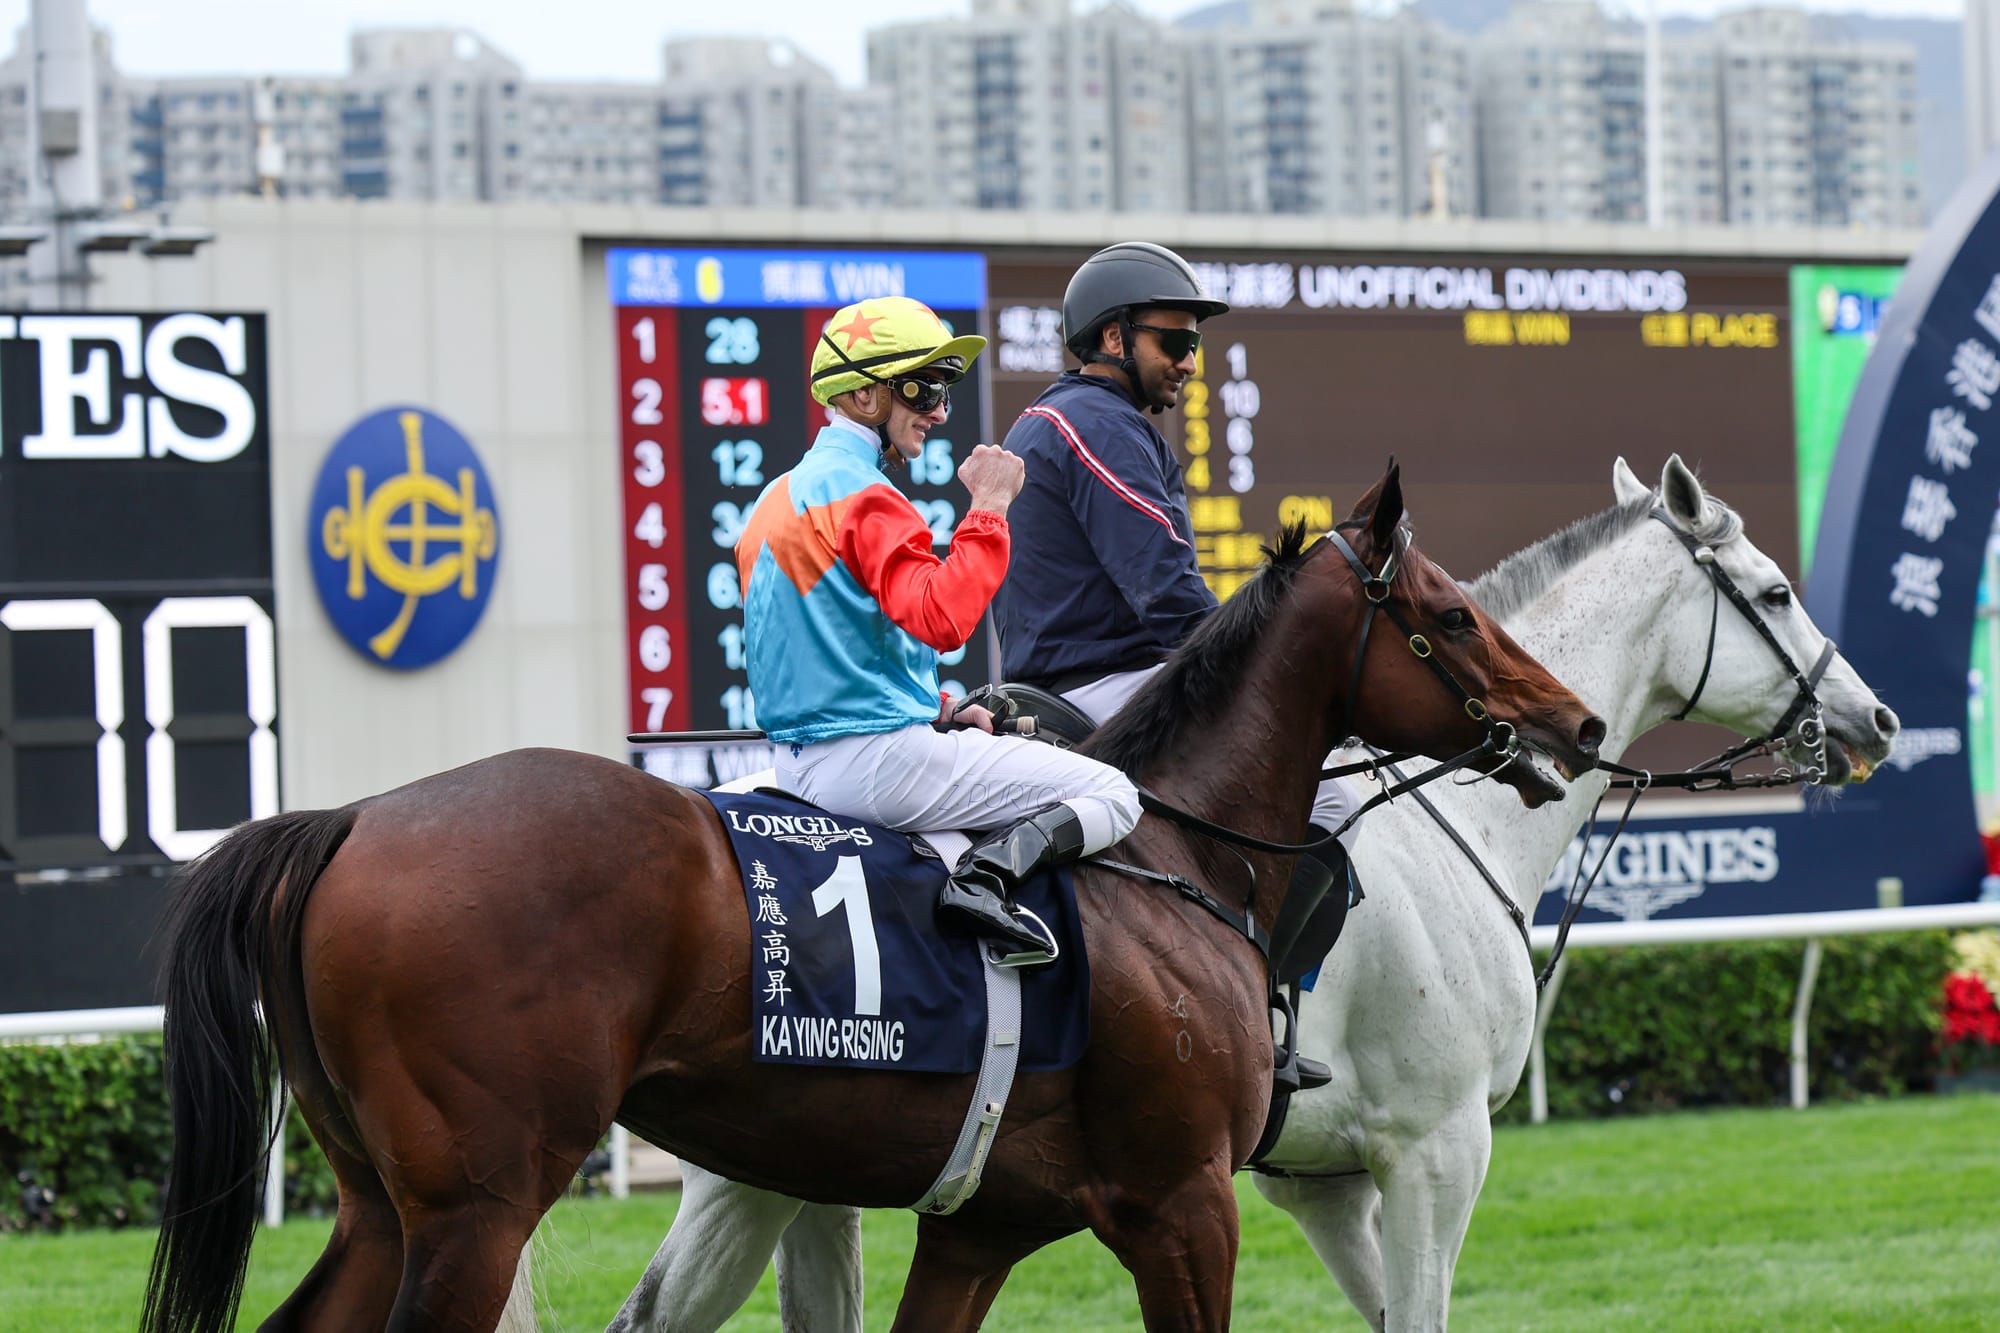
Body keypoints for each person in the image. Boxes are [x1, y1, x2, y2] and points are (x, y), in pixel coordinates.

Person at [734, 295, 1141, 966]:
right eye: (922, 389)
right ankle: (985, 881)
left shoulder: (771, 501)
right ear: (864, 395)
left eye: (944, 391)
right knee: (1114, 793)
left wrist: (940, 708)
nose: (940, 411)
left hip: (796, 764)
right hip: (876, 764)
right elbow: (943, 619)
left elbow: (835, 645)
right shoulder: (867, 495)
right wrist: (990, 506)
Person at [994, 241, 1362, 980]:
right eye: (1176, 342)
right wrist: (1282, 672)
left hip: (1082, 681)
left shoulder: (1075, 419)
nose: (1190, 362)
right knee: (1331, 802)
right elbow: (1166, 592)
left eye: (1196, 344)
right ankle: (1250, 999)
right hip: (1108, 687)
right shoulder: (1095, 424)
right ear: (1113, 336)